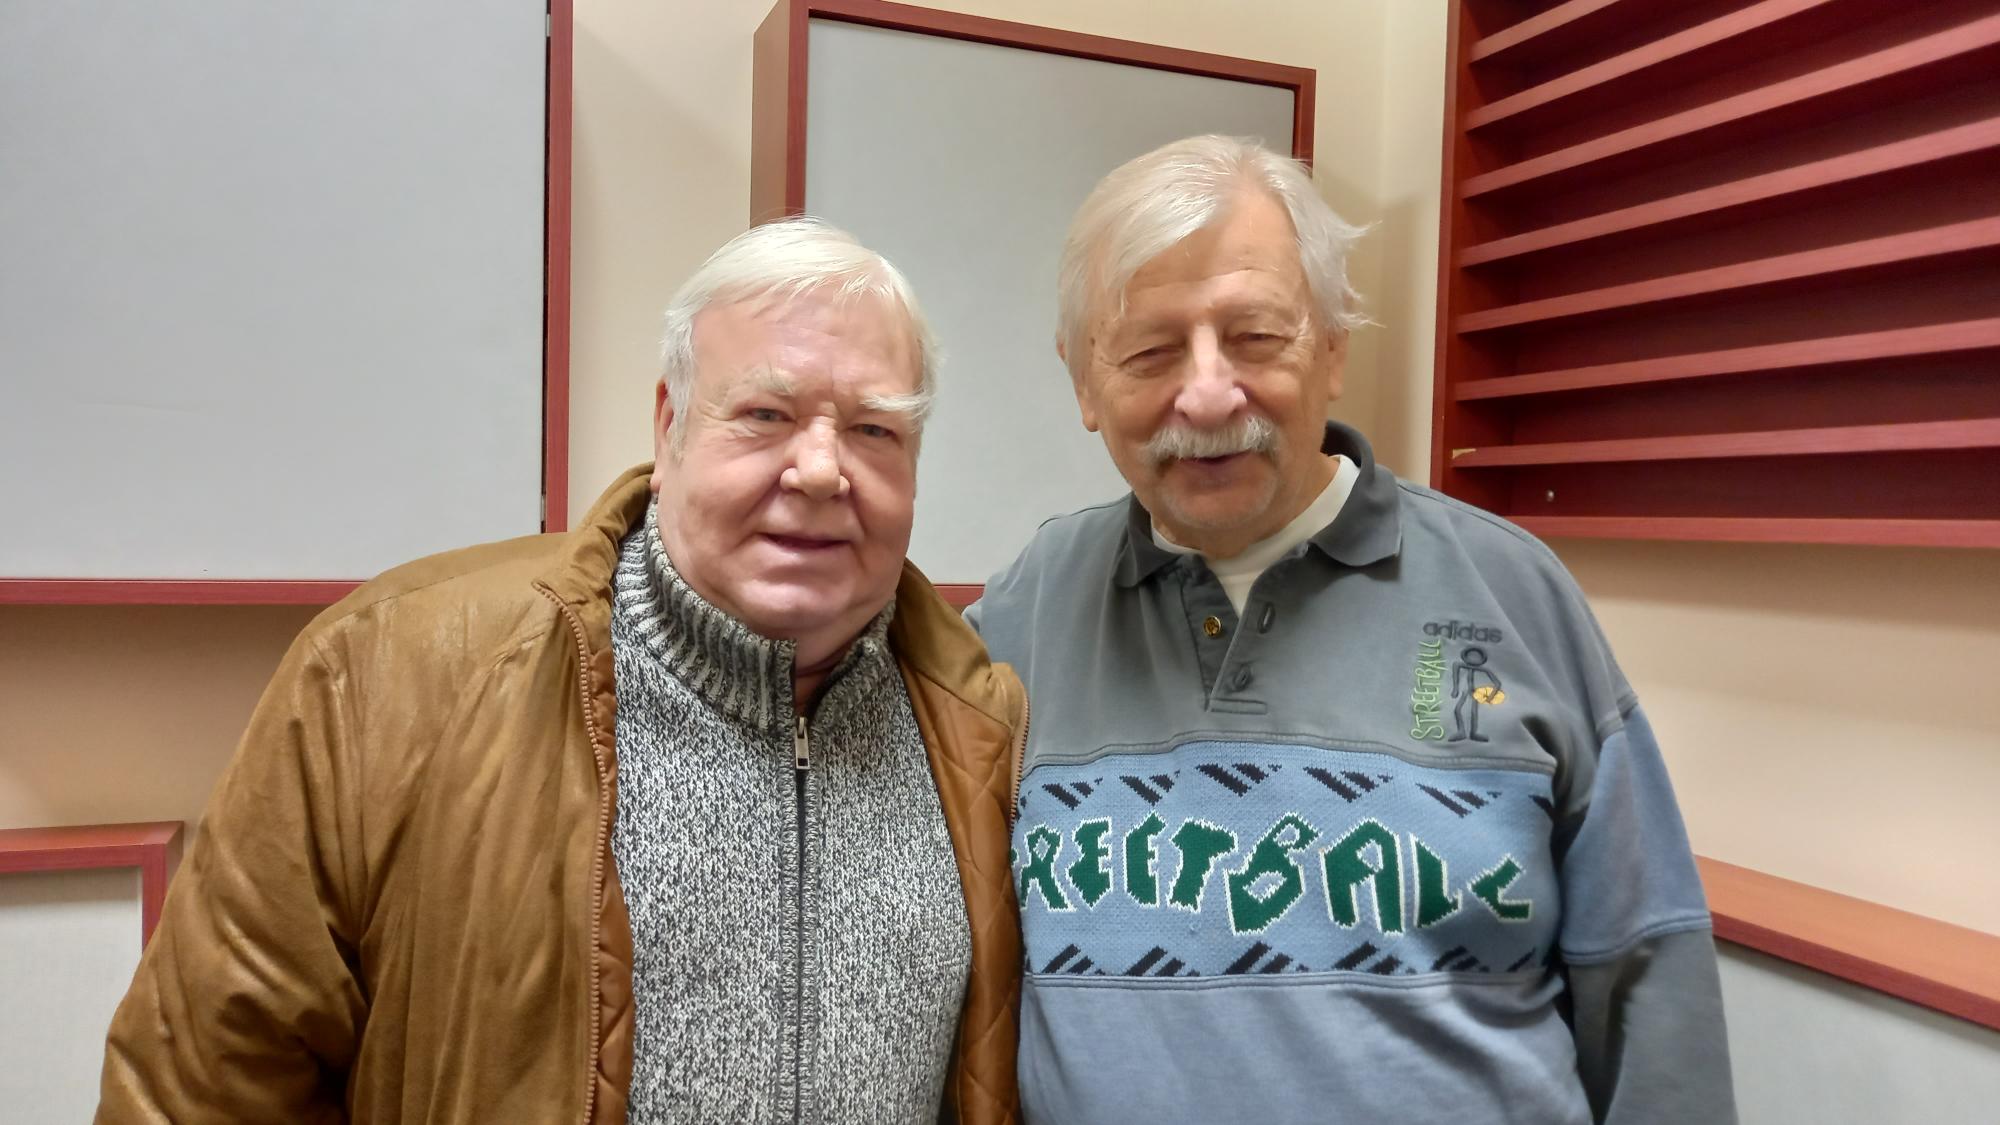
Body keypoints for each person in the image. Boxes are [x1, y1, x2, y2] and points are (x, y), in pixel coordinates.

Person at [97, 219, 1026, 1125]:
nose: (822, 470)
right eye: (765, 414)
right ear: (670, 426)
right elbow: (199, 1093)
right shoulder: (385, 676)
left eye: (874, 429)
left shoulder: (983, 729)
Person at [967, 136, 1735, 1124]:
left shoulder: (1514, 594)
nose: (1207, 394)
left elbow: (1647, 982)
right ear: (1083, 381)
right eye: (1150, 352)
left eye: (1254, 336)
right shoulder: (1024, 613)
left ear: (1331, 348)